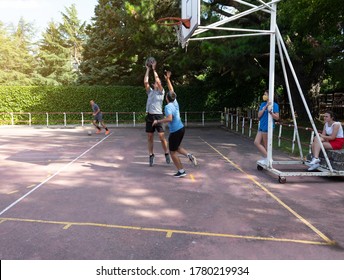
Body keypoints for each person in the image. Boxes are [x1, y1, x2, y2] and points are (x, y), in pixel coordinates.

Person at [152, 71, 197, 177]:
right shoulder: (175, 102)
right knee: (176, 147)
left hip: (175, 131)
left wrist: (158, 121)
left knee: (172, 152)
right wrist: (168, 79)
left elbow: (169, 119)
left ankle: (181, 171)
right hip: (181, 128)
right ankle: (189, 155)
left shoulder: (168, 107)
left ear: (166, 98)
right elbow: (172, 90)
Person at [144, 59, 171, 166]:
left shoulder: (161, 92)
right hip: (150, 116)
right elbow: (145, 82)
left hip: (159, 116)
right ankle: (151, 155)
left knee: (161, 137)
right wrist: (147, 69)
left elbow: (159, 81)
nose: (154, 83)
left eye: (155, 82)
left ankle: (166, 153)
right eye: (154, 82)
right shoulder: (150, 92)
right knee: (150, 137)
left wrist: (154, 70)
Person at [254, 90, 280, 164]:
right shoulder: (263, 104)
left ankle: (268, 159)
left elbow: (277, 117)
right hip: (261, 125)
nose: (264, 96)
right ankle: (267, 157)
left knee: (266, 145)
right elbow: (259, 115)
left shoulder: (274, 105)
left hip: (268, 127)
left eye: (265, 94)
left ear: (269, 96)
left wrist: (271, 112)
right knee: (256, 142)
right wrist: (265, 107)